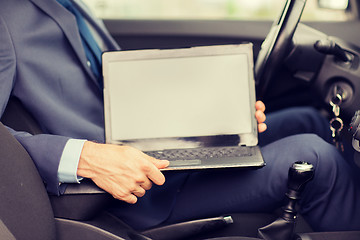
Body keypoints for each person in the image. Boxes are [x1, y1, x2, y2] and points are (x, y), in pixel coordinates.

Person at [1, 0, 360, 233]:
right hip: (123, 191)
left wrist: (214, 110)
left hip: (155, 150)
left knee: (307, 120)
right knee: (315, 158)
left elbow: (111, 92)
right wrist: (86, 158)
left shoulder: (71, 4)